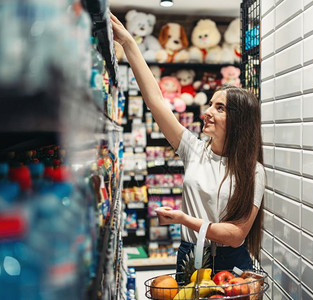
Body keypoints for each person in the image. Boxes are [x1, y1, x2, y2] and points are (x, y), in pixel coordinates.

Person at [110, 14, 265, 273]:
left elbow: (237, 235)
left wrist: (185, 220)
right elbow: (156, 101)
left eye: (219, 108)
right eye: (210, 104)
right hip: (191, 255)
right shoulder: (194, 149)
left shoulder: (253, 171)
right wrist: (128, 42)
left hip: (232, 262)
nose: (207, 112)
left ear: (239, 121)